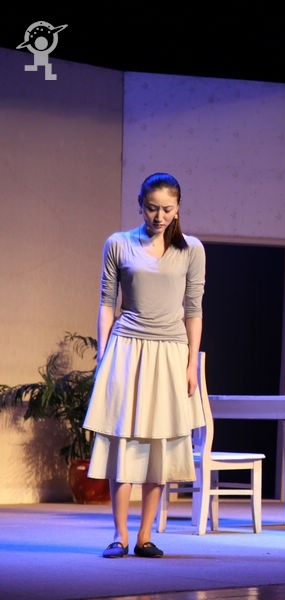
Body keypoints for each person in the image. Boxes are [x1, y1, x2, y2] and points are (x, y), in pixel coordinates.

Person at [83, 172, 206, 558]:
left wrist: (191, 363)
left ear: (178, 208)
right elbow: (107, 302)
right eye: (152, 208)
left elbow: (194, 309)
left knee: (158, 445)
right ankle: (119, 534)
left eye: (167, 209)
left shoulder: (192, 249)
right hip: (128, 348)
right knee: (125, 441)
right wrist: (103, 353)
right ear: (140, 205)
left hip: (170, 352)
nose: (159, 216)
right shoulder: (118, 243)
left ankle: (145, 535)